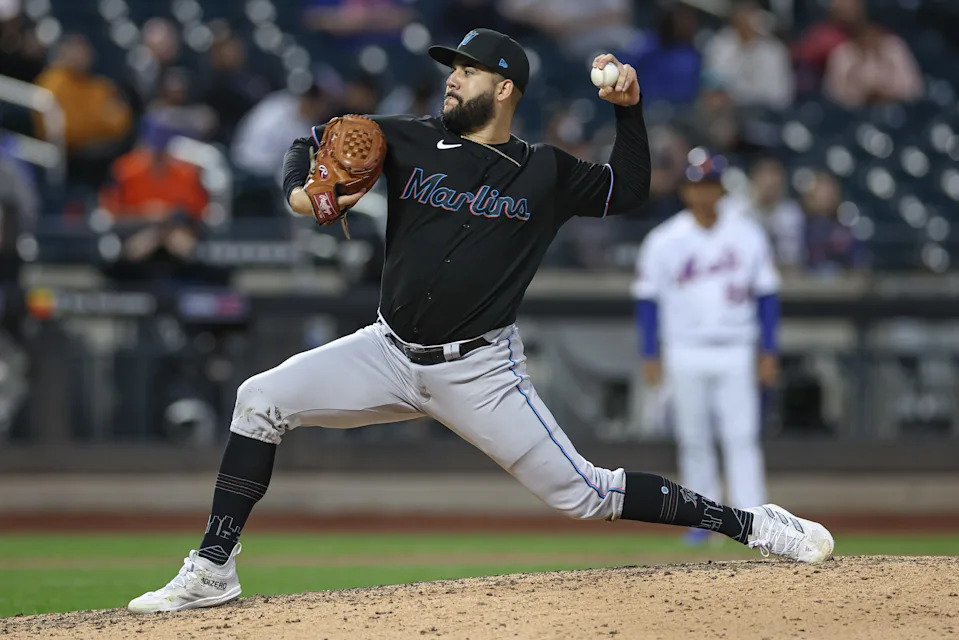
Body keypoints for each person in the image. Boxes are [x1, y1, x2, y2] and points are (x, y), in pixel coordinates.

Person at [128, 28, 834, 614]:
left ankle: (754, 525)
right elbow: (316, 139)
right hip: (385, 349)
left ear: (503, 88)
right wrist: (299, 192)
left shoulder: (543, 171)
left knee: (587, 495)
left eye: (465, 70)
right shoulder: (405, 140)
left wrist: (628, 109)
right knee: (259, 399)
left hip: (479, 370)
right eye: (450, 69)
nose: (451, 80)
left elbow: (630, 189)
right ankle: (214, 568)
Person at [632, 148, 781, 545]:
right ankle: (704, 519)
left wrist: (769, 350)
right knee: (693, 438)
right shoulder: (665, 240)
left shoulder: (746, 233)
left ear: (722, 190)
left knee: (742, 436)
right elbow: (647, 301)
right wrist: (650, 353)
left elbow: (767, 296)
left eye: (711, 185)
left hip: (736, 348)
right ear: (685, 191)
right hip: (684, 348)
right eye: (698, 185)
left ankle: (756, 521)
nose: (704, 193)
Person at [703, 0, 794, 109]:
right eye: (742, 13)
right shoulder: (720, 45)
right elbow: (714, 84)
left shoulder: (775, 51)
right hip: (730, 111)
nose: (745, 19)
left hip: (765, 113)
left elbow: (781, 95)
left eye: (750, 13)